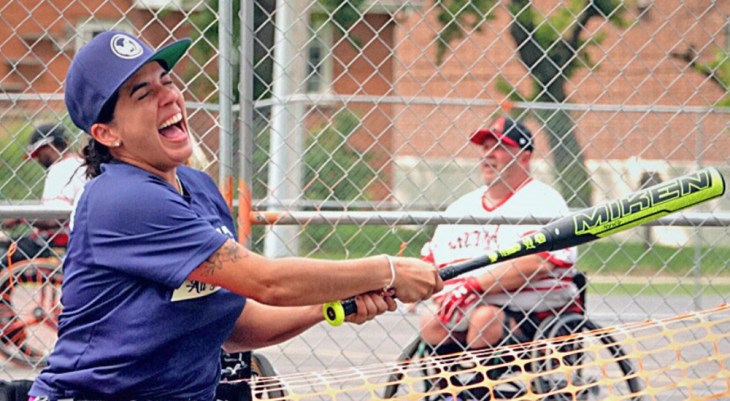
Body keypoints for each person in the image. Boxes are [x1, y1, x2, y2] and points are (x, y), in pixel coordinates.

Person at [28, 31, 442, 401]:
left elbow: (238, 326)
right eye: (143, 93)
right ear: (107, 134)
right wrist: (388, 269)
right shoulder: (123, 198)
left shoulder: (199, 189)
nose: (169, 96)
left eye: (166, 80)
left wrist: (333, 304)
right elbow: (268, 282)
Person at [418, 117, 578, 352]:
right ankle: (450, 388)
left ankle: (478, 389)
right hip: (465, 307)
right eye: (485, 147)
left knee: (485, 319)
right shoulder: (463, 207)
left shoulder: (543, 200)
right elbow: (431, 261)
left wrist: (473, 286)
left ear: (525, 157)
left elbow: (538, 262)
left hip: (531, 314)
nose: (488, 154)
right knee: (431, 319)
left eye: (500, 147)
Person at [1, 123, 86, 265]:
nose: (38, 159)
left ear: (54, 145)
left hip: (56, 244)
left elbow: (54, 218)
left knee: (4, 250)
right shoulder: (79, 163)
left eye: (40, 152)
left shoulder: (61, 169)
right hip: (71, 241)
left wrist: (20, 217)